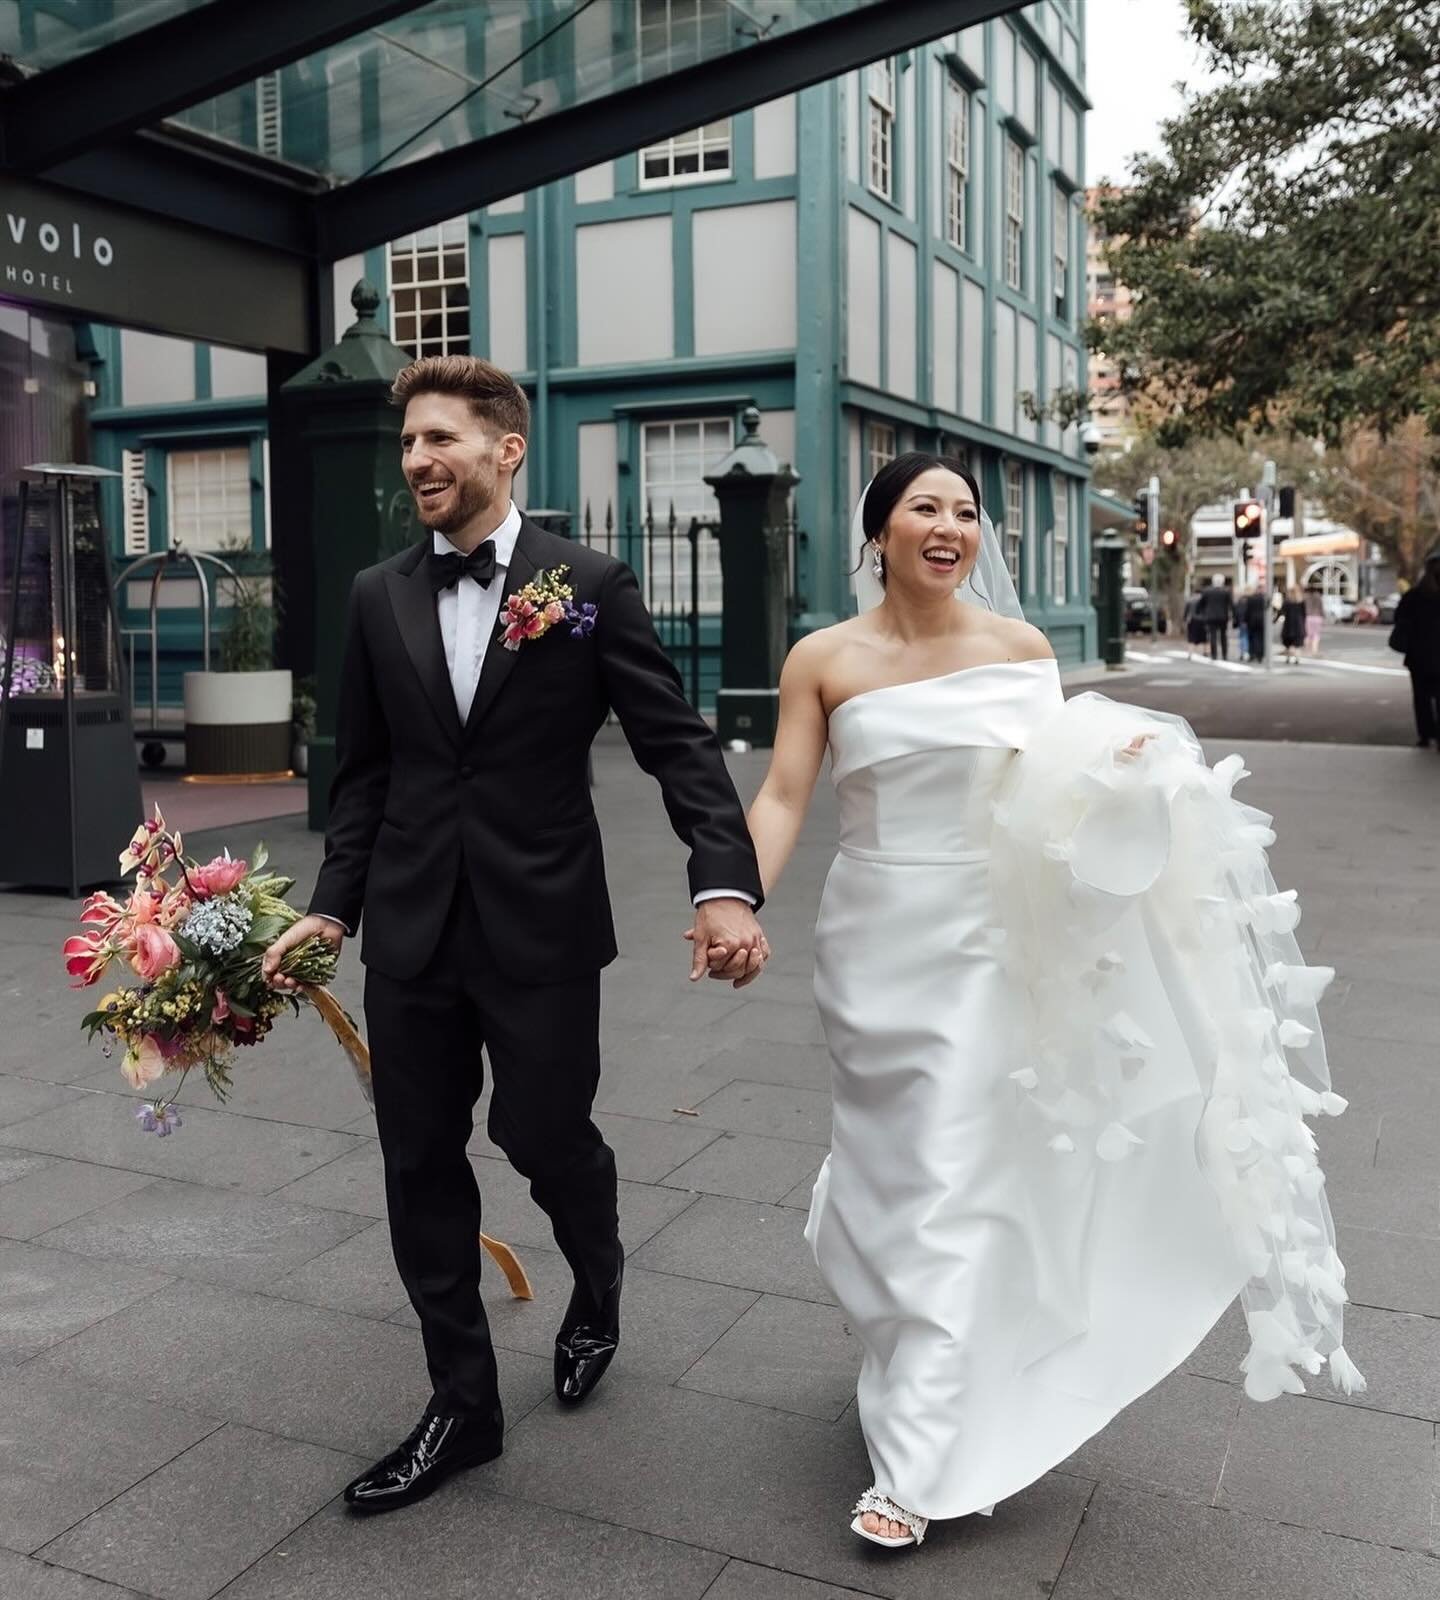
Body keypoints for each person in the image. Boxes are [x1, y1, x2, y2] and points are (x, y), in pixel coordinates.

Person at [740, 453, 1362, 1550]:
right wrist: (733, 899)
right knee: (893, 1164)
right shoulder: (822, 660)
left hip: (987, 941)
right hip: (875, 939)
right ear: (877, 532)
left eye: (968, 513)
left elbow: (1052, 786)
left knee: (952, 1169)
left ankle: (919, 1462)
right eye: (925, 509)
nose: (950, 527)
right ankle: (911, 1335)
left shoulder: (1020, 651)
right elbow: (787, 790)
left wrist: (1123, 767)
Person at [261, 356, 767, 1513]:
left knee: (544, 1134)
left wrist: (722, 882)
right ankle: (464, 1406)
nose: (418, 461)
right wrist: (332, 906)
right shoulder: (375, 594)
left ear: (507, 450)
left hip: (541, 924)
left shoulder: (586, 582)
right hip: (410, 930)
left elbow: (678, 744)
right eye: (407, 445)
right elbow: (367, 772)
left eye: (440, 439)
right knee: (420, 1160)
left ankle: (598, 1271)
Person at [1390, 551, 1440, 748]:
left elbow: (1400, 619)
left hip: (1419, 655)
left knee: (1421, 698)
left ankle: (1425, 735)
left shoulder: (1415, 595)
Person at [1199, 574, 1231, 660]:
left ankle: (1214, 655)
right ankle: (1224, 655)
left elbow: (1201, 603)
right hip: (1223, 616)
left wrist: (1202, 613)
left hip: (1211, 616)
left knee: (1212, 636)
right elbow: (1230, 604)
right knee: (1223, 636)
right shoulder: (1226, 591)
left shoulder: (1207, 591)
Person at [1281, 586, 1307, 665]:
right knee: (1298, 644)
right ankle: (1297, 658)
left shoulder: (1287, 602)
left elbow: (1282, 612)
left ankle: (1288, 658)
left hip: (1289, 624)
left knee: (1288, 642)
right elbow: (1305, 613)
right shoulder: (1301, 602)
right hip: (1299, 624)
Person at [1243, 584, 1269, 665]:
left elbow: (1247, 610)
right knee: (1262, 638)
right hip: (1263, 621)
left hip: (1252, 621)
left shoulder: (1251, 598)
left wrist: (1245, 620)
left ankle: (1252, 654)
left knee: (1252, 638)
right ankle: (1260, 654)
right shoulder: (1265, 599)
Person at [1304, 585, 1326, 657]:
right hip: (1317, 617)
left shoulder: (1305, 597)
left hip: (1308, 617)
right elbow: (1321, 608)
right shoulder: (1318, 596)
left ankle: (1307, 651)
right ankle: (1314, 651)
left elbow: (1303, 608)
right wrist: (1323, 617)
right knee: (1316, 635)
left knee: (1307, 635)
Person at [1235, 585, 1252, 662]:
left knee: (1242, 637)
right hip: (1248, 621)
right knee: (1247, 637)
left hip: (1242, 621)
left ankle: (1243, 653)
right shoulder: (1251, 599)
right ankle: (1247, 652)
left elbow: (1238, 611)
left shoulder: (1241, 600)